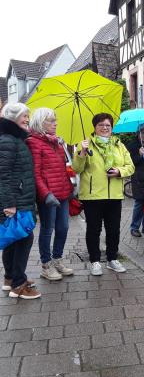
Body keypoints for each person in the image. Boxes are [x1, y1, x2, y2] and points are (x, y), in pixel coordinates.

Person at [72, 113, 134, 276]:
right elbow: (76, 169)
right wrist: (82, 153)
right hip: (92, 196)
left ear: (111, 127)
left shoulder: (119, 145)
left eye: (108, 125)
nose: (105, 128)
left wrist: (119, 171)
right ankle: (95, 261)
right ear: (95, 127)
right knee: (93, 229)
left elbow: (130, 166)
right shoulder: (85, 144)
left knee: (114, 229)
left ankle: (112, 259)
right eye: (101, 125)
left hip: (114, 195)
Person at [26, 108, 74, 281]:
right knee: (47, 230)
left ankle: (57, 259)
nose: (55, 123)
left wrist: (70, 187)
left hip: (62, 192)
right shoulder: (33, 142)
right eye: (51, 120)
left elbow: (63, 168)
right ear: (41, 123)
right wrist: (45, 194)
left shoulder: (57, 142)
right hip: (48, 195)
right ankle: (46, 265)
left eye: (55, 120)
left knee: (63, 227)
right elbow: (35, 173)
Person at [0, 103, 41, 299]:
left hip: (18, 198)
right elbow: (3, 175)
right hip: (15, 200)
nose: (27, 119)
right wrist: (8, 204)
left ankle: (10, 278)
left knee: (13, 238)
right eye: (24, 116)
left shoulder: (15, 139)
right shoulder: (8, 140)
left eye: (28, 115)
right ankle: (19, 284)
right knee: (24, 238)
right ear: (13, 117)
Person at [126, 123, 144, 238]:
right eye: (143, 133)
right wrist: (138, 154)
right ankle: (134, 227)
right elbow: (130, 163)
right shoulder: (132, 146)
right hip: (138, 178)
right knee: (139, 203)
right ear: (139, 132)